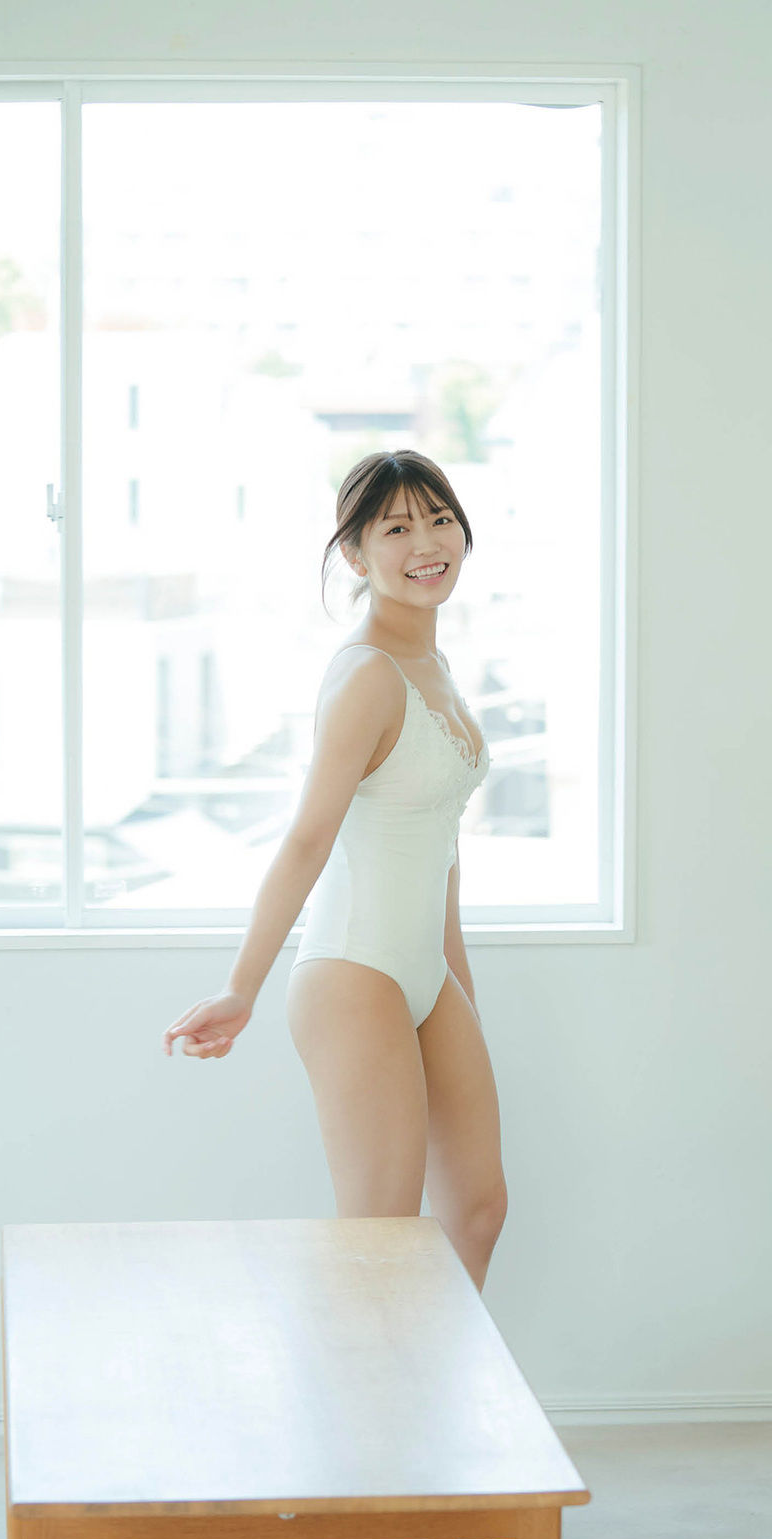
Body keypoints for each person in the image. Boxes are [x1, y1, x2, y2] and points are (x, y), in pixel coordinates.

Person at [162, 450, 508, 1292]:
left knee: (476, 1213)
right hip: (354, 973)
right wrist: (240, 988)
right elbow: (305, 842)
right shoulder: (365, 676)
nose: (426, 544)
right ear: (354, 555)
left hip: (425, 975)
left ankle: (426, 1370)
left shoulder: (435, 670)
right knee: (382, 1240)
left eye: (439, 520)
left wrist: (458, 989)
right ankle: (366, 1379)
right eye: (396, 529)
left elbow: (440, 848)